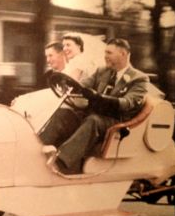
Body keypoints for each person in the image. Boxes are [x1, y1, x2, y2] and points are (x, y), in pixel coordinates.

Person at [39, 38, 149, 175]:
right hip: (91, 116)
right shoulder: (102, 71)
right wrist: (67, 85)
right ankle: (35, 152)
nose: (105, 56)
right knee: (63, 114)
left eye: (109, 53)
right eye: (105, 52)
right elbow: (83, 85)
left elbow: (127, 103)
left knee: (93, 121)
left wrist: (98, 97)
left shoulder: (139, 78)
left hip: (115, 121)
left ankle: (61, 163)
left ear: (123, 54)